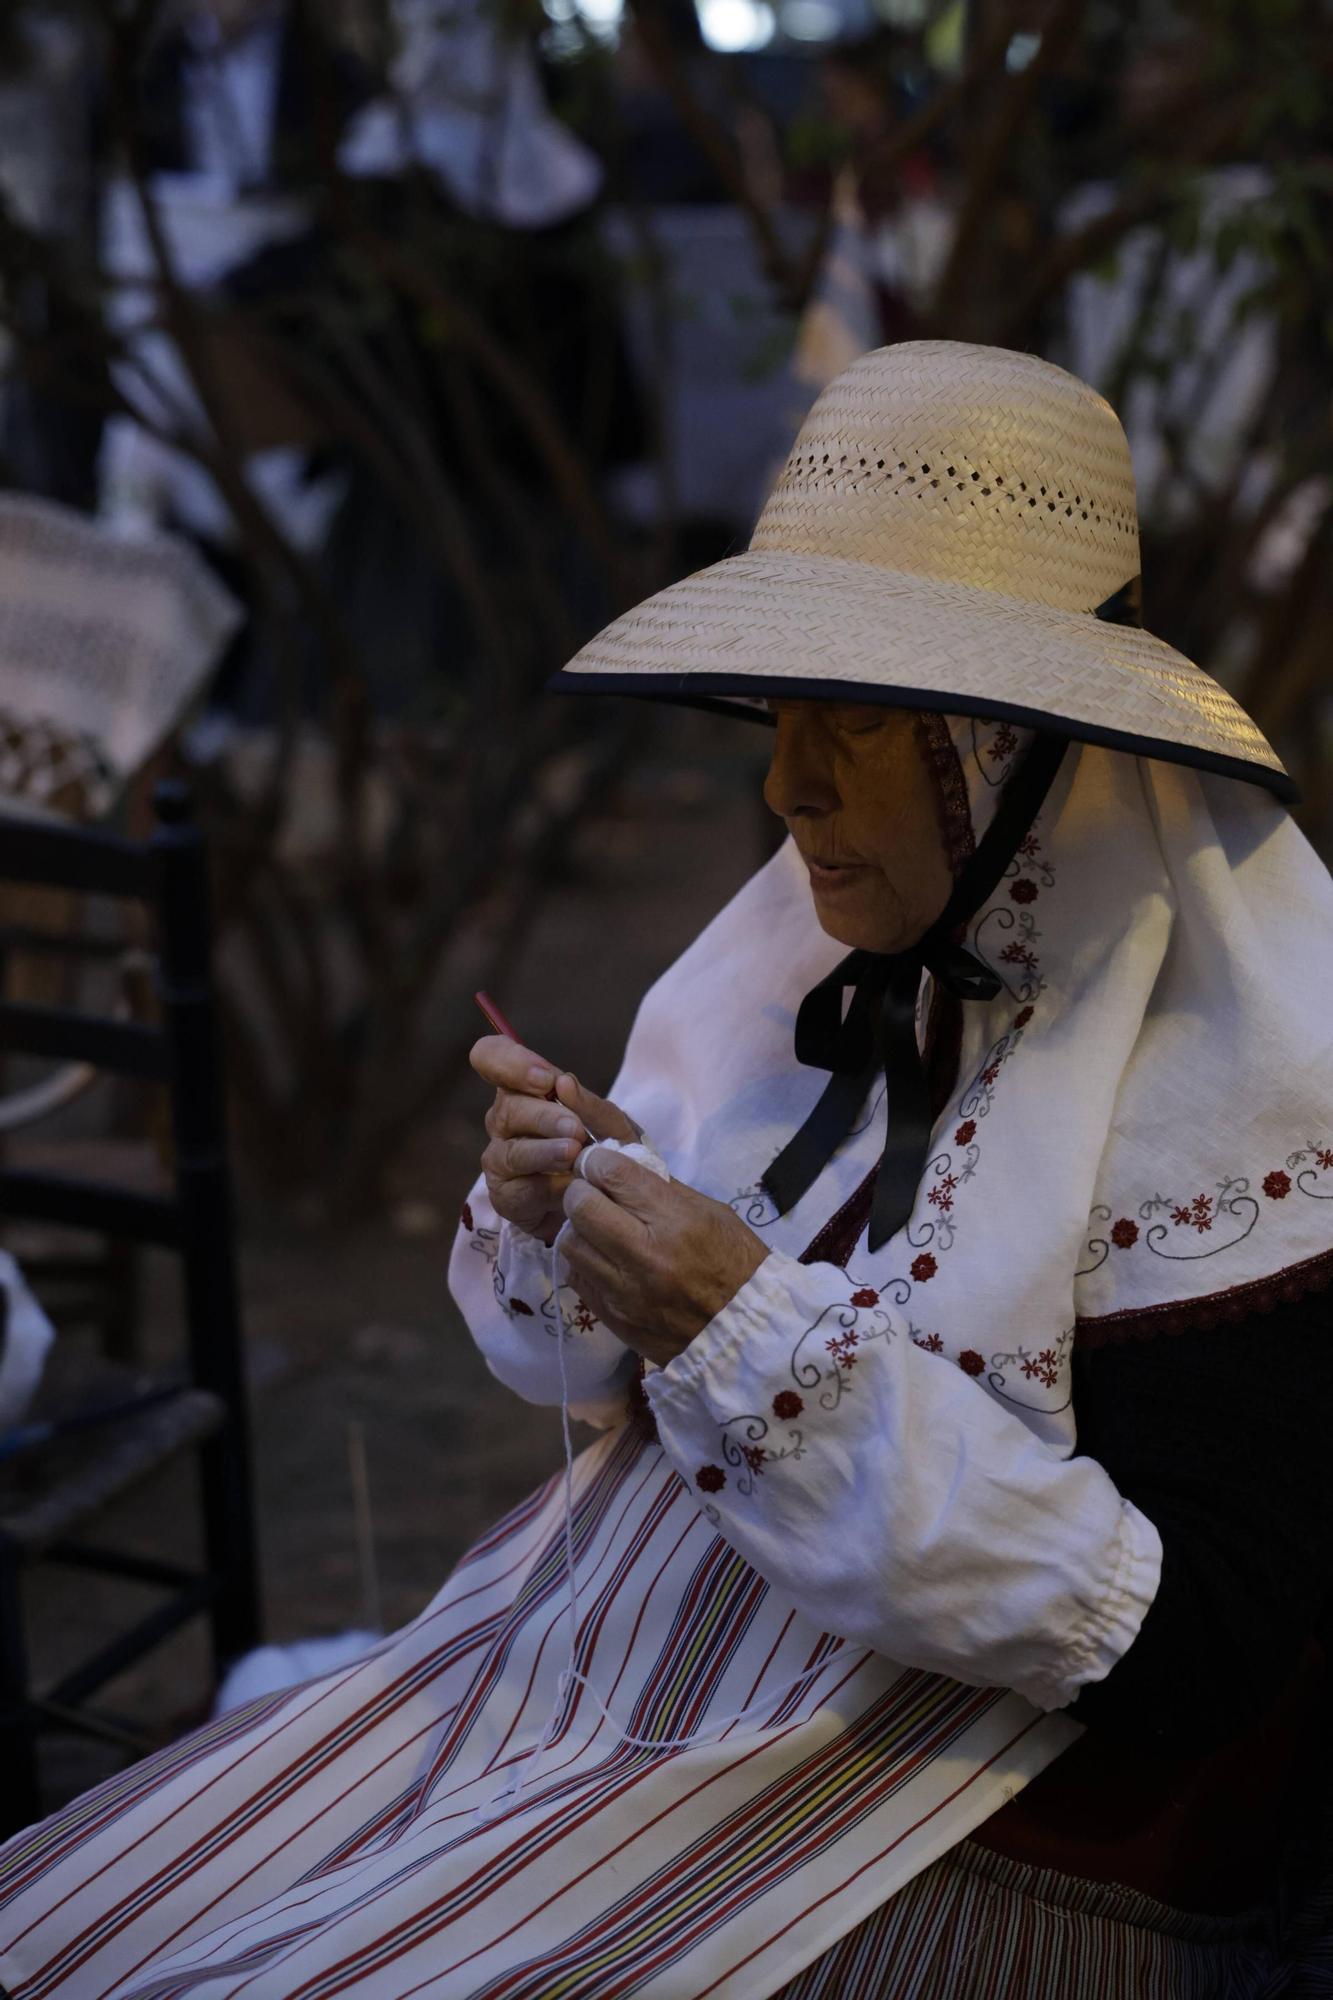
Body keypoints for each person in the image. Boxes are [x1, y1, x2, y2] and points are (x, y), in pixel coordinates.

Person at [2, 341, 1332, 1996]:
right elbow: (615, 1346)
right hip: (620, 1686)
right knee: (77, 1921)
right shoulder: (827, 964)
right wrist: (599, 1215)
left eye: (851, 721)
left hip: (946, 1832)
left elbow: (1200, 1648)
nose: (787, 786)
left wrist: (745, 1325)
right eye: (778, 715)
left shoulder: (1253, 1096)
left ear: (1009, 757)